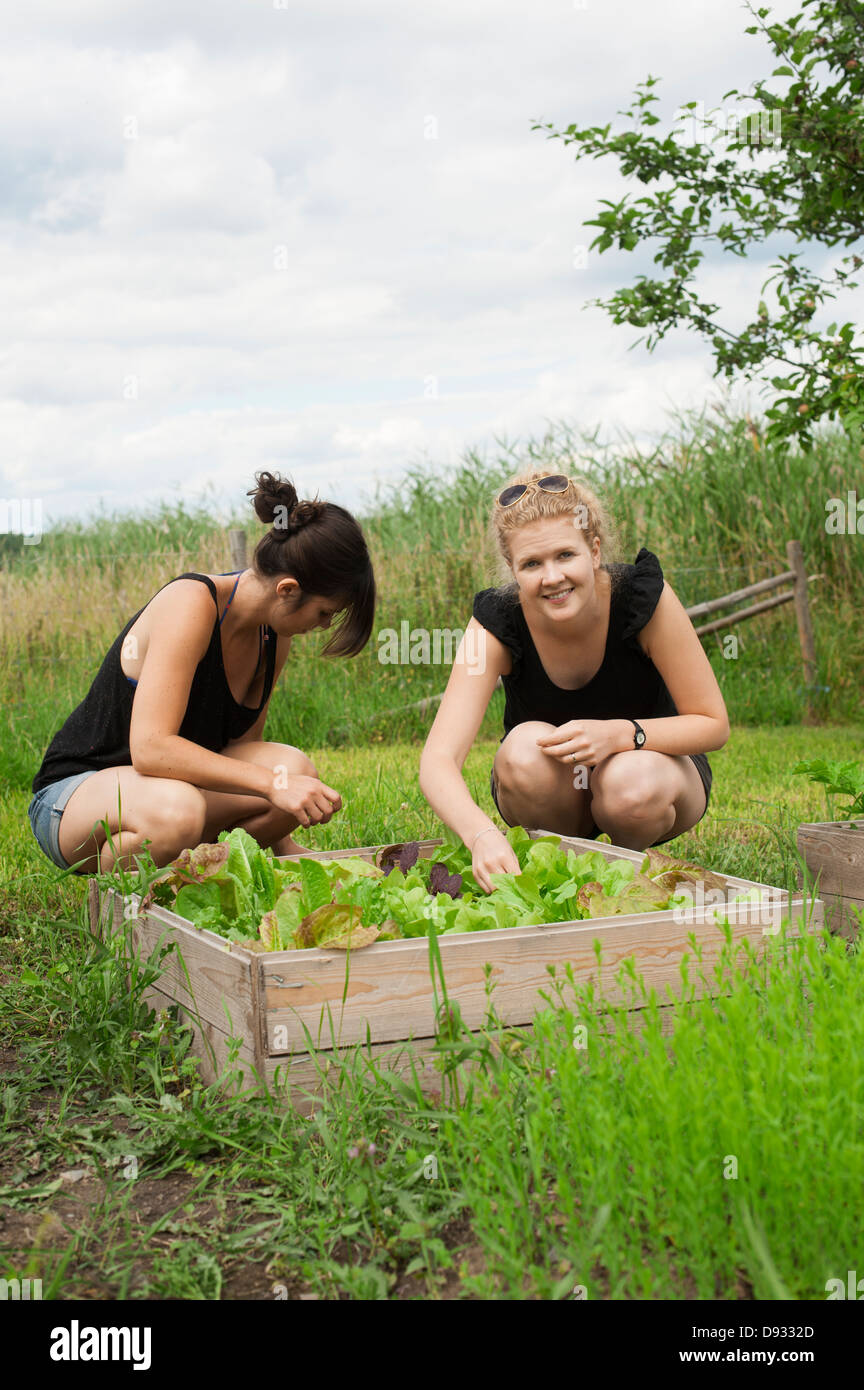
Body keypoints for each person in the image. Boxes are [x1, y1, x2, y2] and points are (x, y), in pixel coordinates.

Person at [28, 473, 376, 876]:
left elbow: (241, 753)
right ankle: (117, 899)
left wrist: (282, 833)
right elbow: (151, 748)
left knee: (295, 770)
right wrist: (272, 786)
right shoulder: (191, 603)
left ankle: (194, 870)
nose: (323, 626)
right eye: (324, 613)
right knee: (181, 812)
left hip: (170, 792)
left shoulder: (273, 636)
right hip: (78, 795)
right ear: (287, 590)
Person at [419, 471, 730, 894]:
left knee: (629, 779)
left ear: (594, 551)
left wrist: (622, 734)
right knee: (523, 749)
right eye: (531, 564)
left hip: (653, 775)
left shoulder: (642, 597)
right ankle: (560, 874)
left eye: (565, 555)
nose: (551, 578)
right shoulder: (496, 621)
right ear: (513, 569)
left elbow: (712, 724)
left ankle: (628, 878)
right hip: (553, 792)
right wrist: (481, 835)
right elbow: (437, 761)